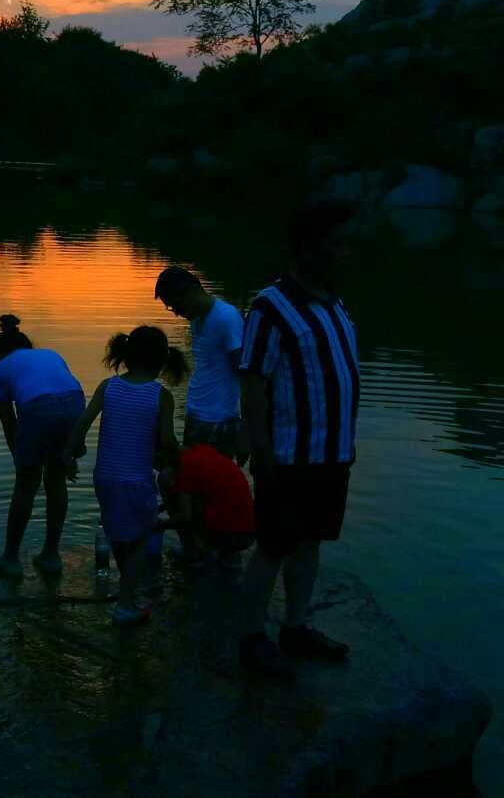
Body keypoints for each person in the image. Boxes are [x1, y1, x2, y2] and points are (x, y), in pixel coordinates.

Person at [237, 200, 360, 679]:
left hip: (333, 455)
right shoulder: (270, 307)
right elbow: (252, 384)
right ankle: (251, 638)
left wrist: (347, 444)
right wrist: (261, 454)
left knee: (312, 542)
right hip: (288, 458)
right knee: (273, 546)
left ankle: (295, 626)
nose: (345, 254)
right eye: (336, 245)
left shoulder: (335, 303)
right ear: (309, 248)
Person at [63, 326, 184, 626]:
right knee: (141, 539)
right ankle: (125, 604)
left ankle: (126, 592)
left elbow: (83, 422)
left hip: (105, 477)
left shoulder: (109, 387)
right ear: (161, 360)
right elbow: (167, 440)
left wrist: (68, 455)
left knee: (118, 534)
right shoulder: (161, 395)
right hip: (136, 480)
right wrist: (181, 463)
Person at [0, 313, 86, 580]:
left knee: (26, 485)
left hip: (38, 407)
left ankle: (10, 559)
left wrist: (20, 459)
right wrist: (71, 451)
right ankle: (51, 556)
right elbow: (65, 391)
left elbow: (10, 423)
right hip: (76, 402)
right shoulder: (50, 354)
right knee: (56, 480)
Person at [154, 267, 246, 462]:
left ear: (192, 291)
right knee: (189, 483)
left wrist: (245, 430)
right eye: (172, 308)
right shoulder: (197, 320)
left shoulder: (226, 318)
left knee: (213, 486)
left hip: (219, 420)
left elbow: (245, 372)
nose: (177, 313)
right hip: (196, 414)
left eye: (176, 305)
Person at [157, 443, 255, 568]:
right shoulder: (203, 452)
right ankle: (231, 558)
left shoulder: (184, 467)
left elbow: (185, 517)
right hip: (249, 534)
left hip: (224, 536)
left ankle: (192, 554)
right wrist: (162, 507)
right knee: (213, 502)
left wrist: (160, 525)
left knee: (183, 510)